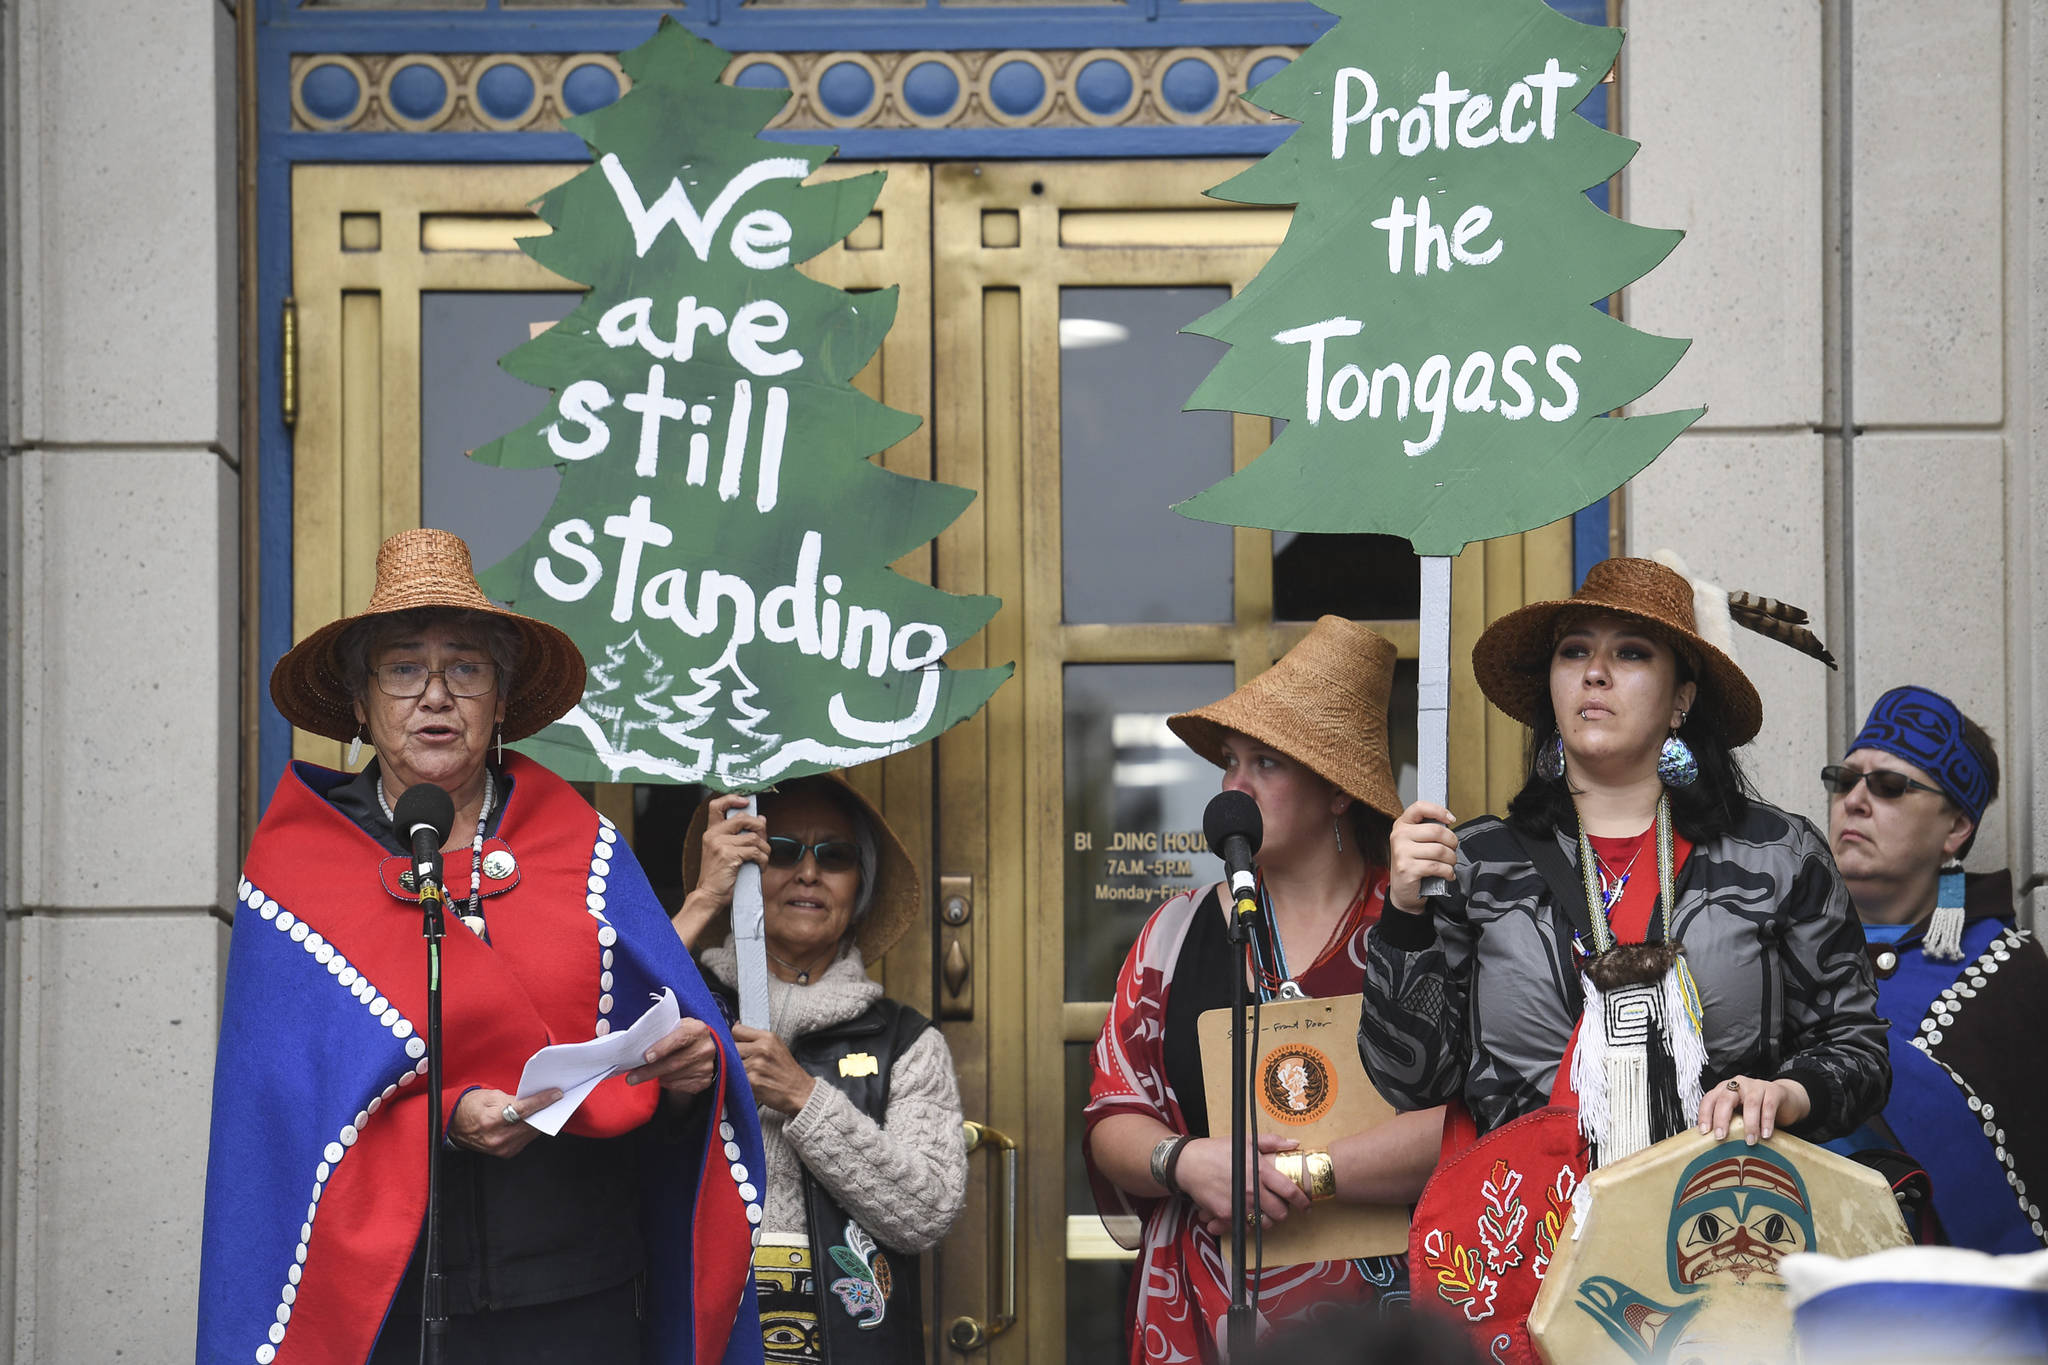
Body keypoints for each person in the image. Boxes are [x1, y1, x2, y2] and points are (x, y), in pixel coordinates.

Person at [197, 529, 764, 1365]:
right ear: (360, 703)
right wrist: (445, 1119)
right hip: (387, 1301)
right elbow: (280, 1108)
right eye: (402, 669)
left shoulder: (584, 846)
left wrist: (687, 1078)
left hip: (580, 1293)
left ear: (500, 702)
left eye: (465, 668)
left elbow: (664, 1044)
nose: (435, 696)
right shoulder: (296, 872)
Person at [1365, 556, 1888, 1158]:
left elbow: (1859, 1048)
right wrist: (1404, 914)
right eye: (1574, 651)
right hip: (1532, 1234)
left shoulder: (1779, 855)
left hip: (1718, 1224)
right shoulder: (1473, 863)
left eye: (1632, 653)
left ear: (1680, 699)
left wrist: (1789, 1093)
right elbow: (1409, 1080)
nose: (1595, 673)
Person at [1084, 616, 1446, 1363]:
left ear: (1339, 791)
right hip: (1199, 1310)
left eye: (1267, 763)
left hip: (1378, 1322)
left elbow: (1468, 1120)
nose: (1235, 786)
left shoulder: (1412, 927)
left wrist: (1308, 1175)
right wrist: (1184, 1160)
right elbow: (1113, 1113)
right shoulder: (1174, 933)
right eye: (1230, 762)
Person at [676, 772, 968, 1365]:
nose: (808, 872)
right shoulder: (680, 1008)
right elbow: (590, 1088)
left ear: (860, 886)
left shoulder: (905, 1041)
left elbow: (928, 1212)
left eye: (834, 855)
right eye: (779, 850)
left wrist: (805, 1099)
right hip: (701, 1332)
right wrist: (702, 901)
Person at [1822, 685, 2048, 1253]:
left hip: (1944, 1313)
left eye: (1891, 786)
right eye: (1844, 780)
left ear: (1955, 831)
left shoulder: (2009, 975)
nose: (1856, 799)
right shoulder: (1776, 944)